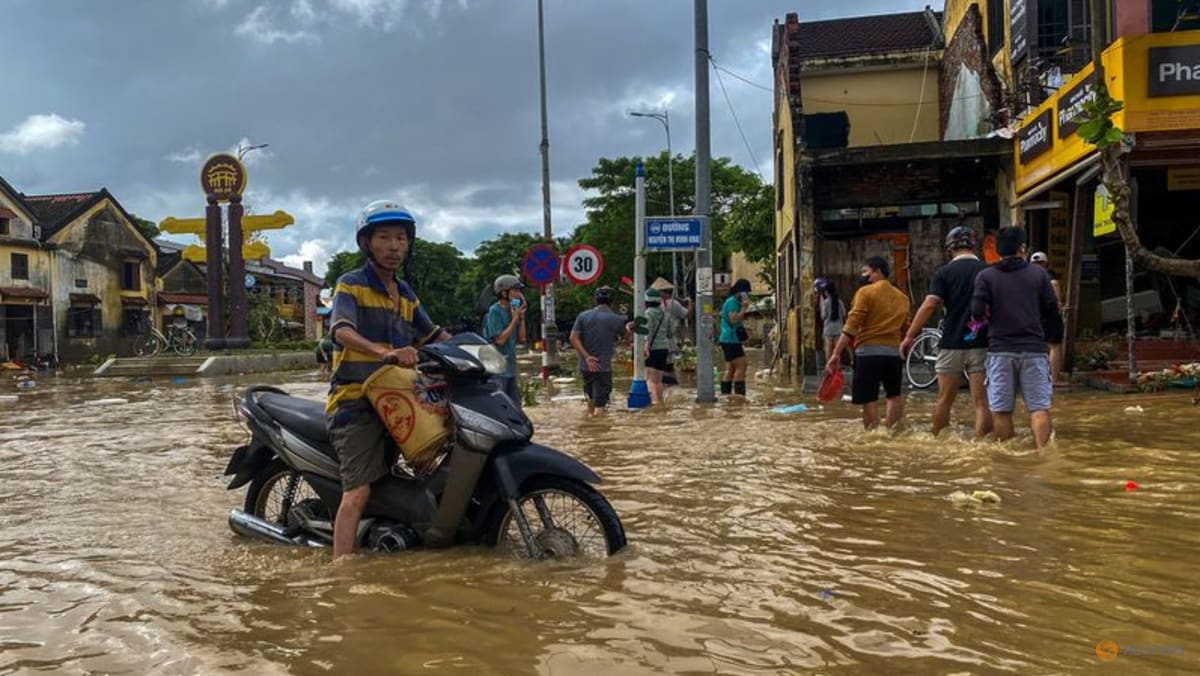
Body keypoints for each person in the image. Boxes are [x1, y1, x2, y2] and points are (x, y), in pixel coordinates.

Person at [326, 200, 451, 558]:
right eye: (385, 237)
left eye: (401, 238)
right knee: (358, 491)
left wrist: (474, 352)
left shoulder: (407, 293)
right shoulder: (350, 285)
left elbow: (433, 334)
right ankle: (341, 570)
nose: (394, 246)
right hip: (355, 402)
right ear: (367, 242)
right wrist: (382, 351)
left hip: (399, 397)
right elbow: (341, 330)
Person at [970, 227, 1060, 449]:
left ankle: (1006, 463)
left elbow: (977, 312)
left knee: (1001, 412)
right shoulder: (1039, 275)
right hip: (1034, 350)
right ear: (1023, 248)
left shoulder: (985, 276)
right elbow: (1052, 311)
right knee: (1039, 409)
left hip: (1000, 350)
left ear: (998, 250)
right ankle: (1044, 457)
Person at [900, 226, 992, 438]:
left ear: (949, 249)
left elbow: (930, 304)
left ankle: (938, 442)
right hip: (982, 344)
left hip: (951, 343)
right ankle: (980, 447)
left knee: (944, 400)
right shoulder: (988, 272)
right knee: (981, 402)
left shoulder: (944, 273)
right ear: (973, 245)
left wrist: (909, 336)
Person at [826, 257, 911, 430]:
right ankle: (893, 434)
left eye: (866, 272)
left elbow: (851, 326)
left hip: (868, 355)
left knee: (869, 399)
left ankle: (873, 435)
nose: (863, 276)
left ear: (878, 271)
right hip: (893, 356)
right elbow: (906, 328)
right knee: (894, 395)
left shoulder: (865, 293)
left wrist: (835, 354)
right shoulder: (902, 298)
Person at [569, 286, 630, 416]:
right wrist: (629, 327)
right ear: (612, 301)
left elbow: (573, 338)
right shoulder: (617, 320)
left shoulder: (583, 316)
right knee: (600, 406)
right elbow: (627, 339)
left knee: (591, 399)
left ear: (595, 300)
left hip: (585, 367)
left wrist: (587, 357)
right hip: (603, 368)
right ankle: (599, 433)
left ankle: (589, 430)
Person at [483, 274, 526, 407]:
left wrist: (521, 317)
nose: (519, 294)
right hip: (497, 369)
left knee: (516, 407)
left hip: (511, 368)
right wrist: (514, 320)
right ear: (504, 293)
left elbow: (522, 338)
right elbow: (500, 340)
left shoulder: (514, 311)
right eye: (515, 290)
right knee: (502, 407)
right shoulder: (494, 311)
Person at [1030, 251, 1066, 385]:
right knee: (1055, 347)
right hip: (1050, 316)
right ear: (1046, 263)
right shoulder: (1050, 277)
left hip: (1034, 316)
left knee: (1038, 347)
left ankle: (1039, 379)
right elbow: (1057, 300)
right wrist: (1060, 308)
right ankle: (1054, 379)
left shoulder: (1028, 277)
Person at [654, 278, 691, 387]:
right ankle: (671, 391)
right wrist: (690, 303)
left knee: (656, 372)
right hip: (668, 343)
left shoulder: (648, 306)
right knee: (668, 370)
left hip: (652, 344)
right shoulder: (673, 304)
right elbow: (688, 315)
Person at [718, 279, 752, 396]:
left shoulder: (734, 302)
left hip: (729, 339)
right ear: (740, 292)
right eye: (745, 293)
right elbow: (733, 320)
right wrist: (743, 309)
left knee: (731, 368)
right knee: (741, 365)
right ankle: (739, 396)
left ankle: (726, 395)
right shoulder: (732, 302)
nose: (746, 295)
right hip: (730, 339)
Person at [643, 287, 671, 405]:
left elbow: (647, 331)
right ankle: (660, 402)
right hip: (664, 348)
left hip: (652, 348)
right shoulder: (665, 314)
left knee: (650, 379)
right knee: (658, 380)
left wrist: (645, 346)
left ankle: (653, 403)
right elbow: (670, 333)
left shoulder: (648, 313)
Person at [816, 278, 850, 368]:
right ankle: (837, 366)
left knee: (828, 348)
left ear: (827, 292)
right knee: (836, 349)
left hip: (828, 329)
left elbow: (823, 316)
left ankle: (829, 365)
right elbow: (844, 314)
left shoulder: (825, 303)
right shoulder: (839, 302)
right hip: (839, 328)